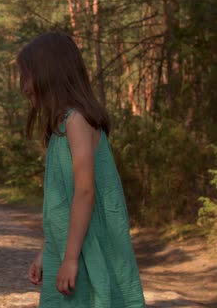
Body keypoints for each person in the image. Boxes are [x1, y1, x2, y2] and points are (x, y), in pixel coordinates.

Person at [17, 32, 146, 307]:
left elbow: (85, 192)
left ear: (49, 73)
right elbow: (63, 205)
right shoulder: (60, 128)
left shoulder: (77, 121)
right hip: (65, 248)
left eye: (26, 76)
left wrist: (71, 258)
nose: (23, 86)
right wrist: (47, 252)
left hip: (84, 251)